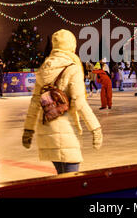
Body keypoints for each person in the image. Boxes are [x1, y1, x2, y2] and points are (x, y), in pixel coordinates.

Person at [22, 29, 102, 175]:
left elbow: (35, 103)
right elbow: (79, 103)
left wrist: (28, 129)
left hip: (47, 130)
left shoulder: (45, 68)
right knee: (71, 184)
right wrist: (95, 128)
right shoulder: (72, 68)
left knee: (63, 179)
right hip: (66, 132)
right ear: (71, 45)